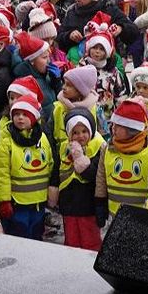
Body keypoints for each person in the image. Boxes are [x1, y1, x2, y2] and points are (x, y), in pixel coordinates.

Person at [0, 93, 52, 240]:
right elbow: (2, 174)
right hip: (17, 202)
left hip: (39, 200)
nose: (20, 118)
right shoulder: (5, 142)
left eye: (25, 114)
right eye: (17, 114)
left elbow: (49, 163)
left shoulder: (42, 138)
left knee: (37, 234)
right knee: (19, 235)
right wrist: (4, 200)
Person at [50, 107, 105, 250]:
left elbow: (95, 175)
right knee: (71, 241)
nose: (80, 136)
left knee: (90, 240)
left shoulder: (98, 148)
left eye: (84, 131)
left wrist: (80, 159)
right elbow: (56, 171)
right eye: (75, 132)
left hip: (88, 205)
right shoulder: (63, 148)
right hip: (68, 204)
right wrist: (53, 190)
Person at [96, 100, 148, 222]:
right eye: (113, 124)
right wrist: (100, 202)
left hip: (142, 217)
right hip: (114, 215)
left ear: (132, 129)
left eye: (118, 125)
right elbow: (101, 177)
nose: (113, 128)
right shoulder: (108, 148)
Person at [58, 0, 139, 53]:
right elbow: (59, 37)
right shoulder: (72, 13)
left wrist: (121, 28)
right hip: (78, 60)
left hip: (108, 61)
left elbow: (134, 31)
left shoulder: (109, 10)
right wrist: (69, 36)